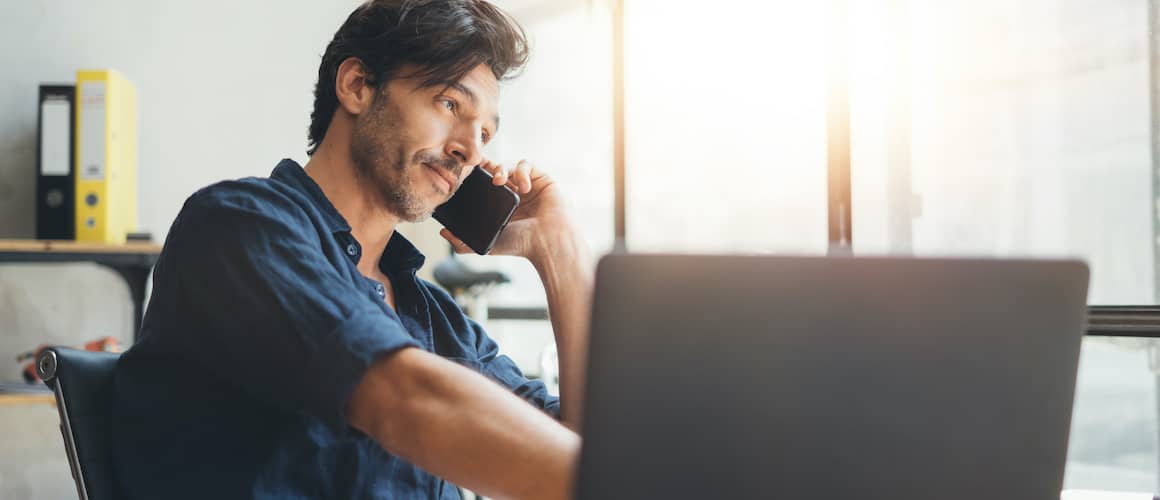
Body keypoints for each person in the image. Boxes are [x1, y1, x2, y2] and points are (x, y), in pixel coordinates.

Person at [111, 1, 591, 498]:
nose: (470, 149)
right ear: (358, 86)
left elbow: (577, 446)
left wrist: (560, 251)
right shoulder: (236, 227)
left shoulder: (435, 318)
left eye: (485, 133)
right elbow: (403, 399)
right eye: (450, 104)